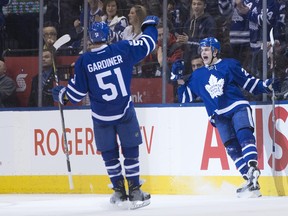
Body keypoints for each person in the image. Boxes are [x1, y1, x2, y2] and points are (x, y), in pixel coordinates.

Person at [52, 16, 158, 208]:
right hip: (124, 111)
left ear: (91, 39)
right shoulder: (122, 49)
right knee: (131, 150)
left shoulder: (84, 61)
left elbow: (74, 96)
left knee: (109, 153)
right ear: (108, 36)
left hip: (101, 116)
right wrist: (149, 26)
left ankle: (118, 192)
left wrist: (60, 94)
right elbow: (148, 43)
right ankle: (134, 190)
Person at [171, 37, 280, 198]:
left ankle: (252, 168)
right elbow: (185, 98)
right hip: (219, 116)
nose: (203, 53)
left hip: (237, 107)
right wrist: (178, 80)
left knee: (245, 136)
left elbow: (249, 82)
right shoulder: (197, 75)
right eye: (202, 50)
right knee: (232, 148)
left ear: (215, 51)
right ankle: (250, 180)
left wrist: (266, 86)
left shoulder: (229, 64)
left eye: (206, 49)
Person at [176, 0, 217, 74]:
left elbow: (210, 43)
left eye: (199, 4)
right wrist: (181, 42)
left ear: (204, 6)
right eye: (194, 4)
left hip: (201, 60)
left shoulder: (209, 22)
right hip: (188, 59)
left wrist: (189, 40)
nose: (196, 6)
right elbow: (186, 41)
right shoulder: (189, 22)